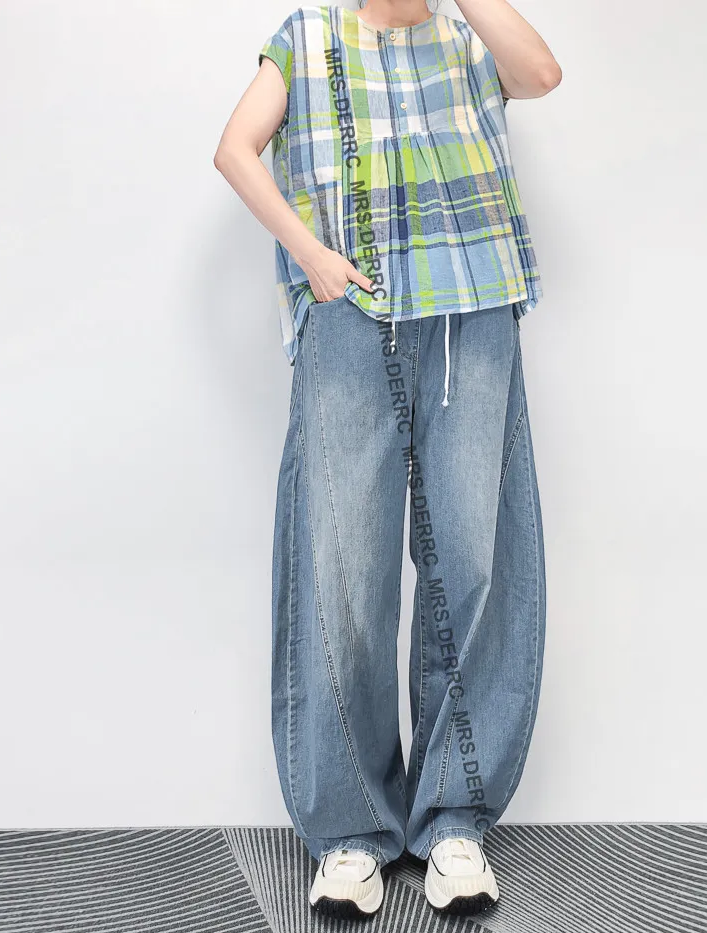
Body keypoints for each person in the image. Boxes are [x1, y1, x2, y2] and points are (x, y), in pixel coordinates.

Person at [214, 0, 560, 918]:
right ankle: (350, 834)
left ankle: (454, 822)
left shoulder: (470, 35)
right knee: (343, 574)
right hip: (350, 318)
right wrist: (311, 256)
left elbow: (541, 75)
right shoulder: (308, 36)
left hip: (471, 317)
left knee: (473, 565)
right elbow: (235, 149)